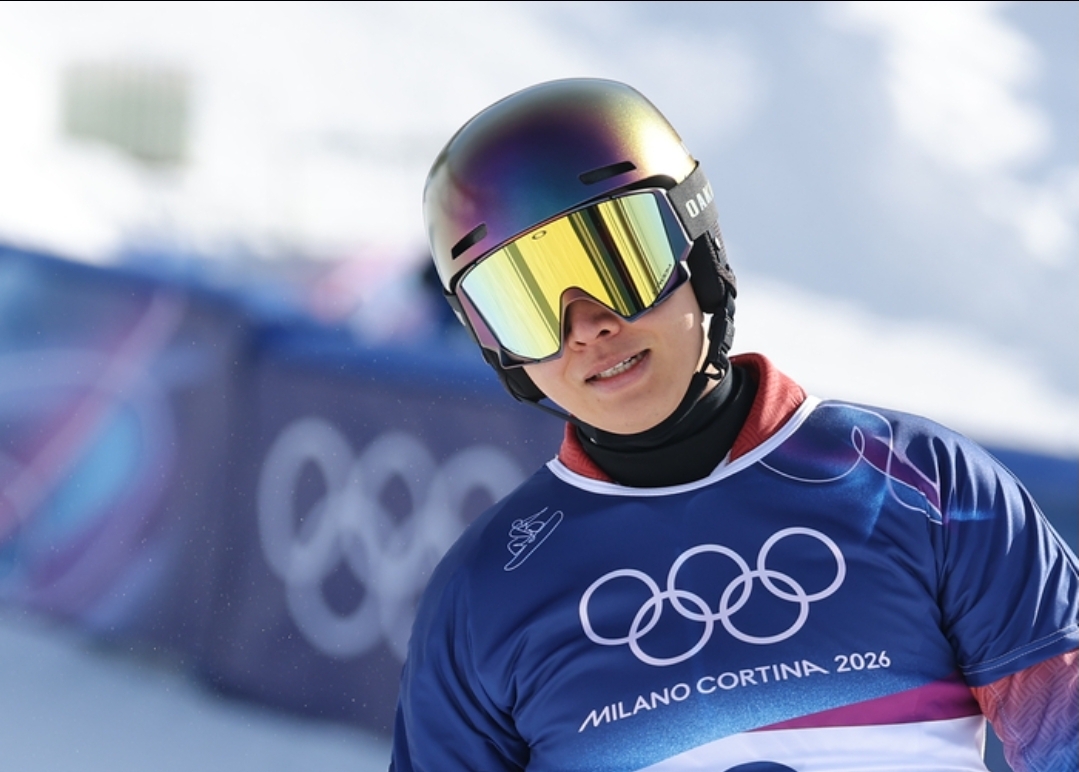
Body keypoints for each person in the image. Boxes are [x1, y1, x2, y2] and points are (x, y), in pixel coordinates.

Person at [390, 78, 1078, 772]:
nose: (587, 325)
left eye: (619, 263)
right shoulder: (484, 592)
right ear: (491, 343)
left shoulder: (921, 484)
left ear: (697, 251)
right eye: (525, 303)